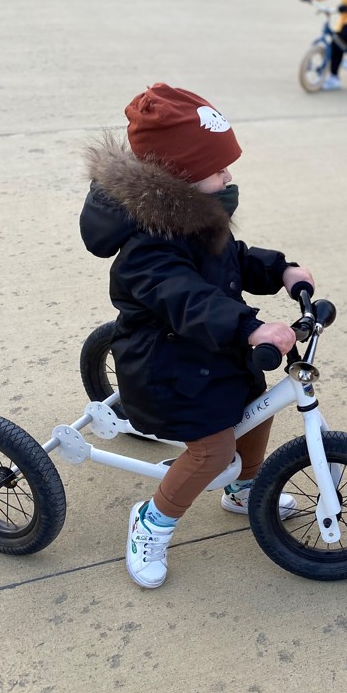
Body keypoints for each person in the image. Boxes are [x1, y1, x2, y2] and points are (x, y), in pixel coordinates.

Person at [80, 82, 314, 588]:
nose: (228, 175)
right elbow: (188, 299)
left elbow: (233, 259)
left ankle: (244, 488)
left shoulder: (197, 218)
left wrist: (281, 270)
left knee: (257, 411)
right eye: (218, 168)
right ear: (180, 178)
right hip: (169, 368)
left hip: (213, 352)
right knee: (211, 450)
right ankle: (152, 521)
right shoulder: (149, 249)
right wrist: (250, 328)